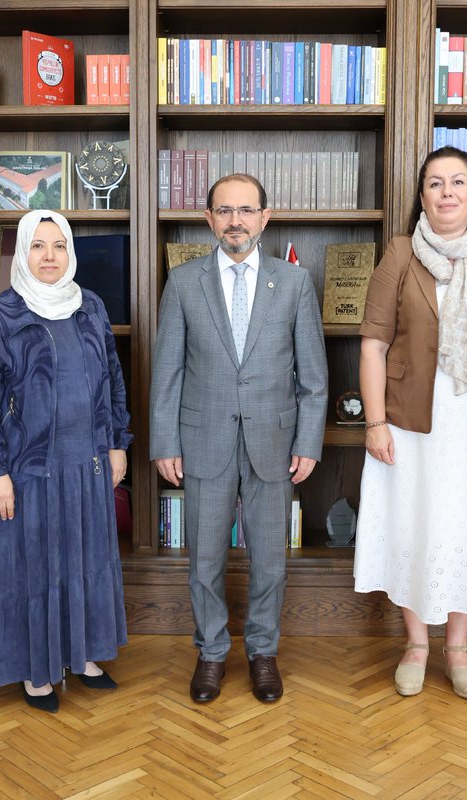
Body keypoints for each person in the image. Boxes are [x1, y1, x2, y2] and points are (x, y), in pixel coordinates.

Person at [353, 146, 467, 701]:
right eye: (435, 183)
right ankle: (416, 644)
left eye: (458, 182)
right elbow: (373, 343)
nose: (447, 192)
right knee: (413, 522)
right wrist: (375, 423)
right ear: (423, 196)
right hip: (410, 421)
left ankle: (457, 647)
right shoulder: (399, 254)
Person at [150, 173, 328, 704]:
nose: (235, 221)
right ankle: (210, 653)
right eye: (225, 211)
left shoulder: (294, 283)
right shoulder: (184, 282)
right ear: (209, 219)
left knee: (270, 561)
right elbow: (167, 372)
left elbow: (314, 377)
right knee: (204, 560)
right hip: (203, 440)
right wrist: (165, 442)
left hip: (275, 443)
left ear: (264, 218)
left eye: (246, 210)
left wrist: (308, 442)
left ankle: (262, 652)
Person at [0, 210, 131, 713]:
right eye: (37, 246)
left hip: (88, 463)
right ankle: (36, 671)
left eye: (58, 245)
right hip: (27, 470)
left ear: (70, 252)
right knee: (32, 569)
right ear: (22, 252)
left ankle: (82, 656)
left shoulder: (90, 306)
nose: (49, 256)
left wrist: (117, 442)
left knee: (86, 560)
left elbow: (113, 378)